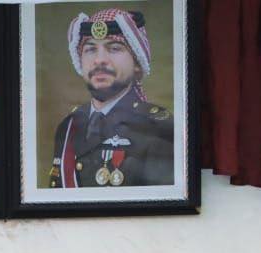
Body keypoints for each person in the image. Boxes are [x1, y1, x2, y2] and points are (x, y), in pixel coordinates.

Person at [48, 9, 174, 188]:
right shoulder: (68, 126)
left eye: (114, 48)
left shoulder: (158, 129)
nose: (99, 60)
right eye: (90, 49)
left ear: (137, 62)